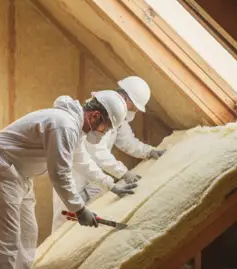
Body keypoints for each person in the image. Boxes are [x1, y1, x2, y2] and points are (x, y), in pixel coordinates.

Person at [0, 91, 137, 269]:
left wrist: (111, 185)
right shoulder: (64, 126)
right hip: (1, 170)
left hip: (18, 173)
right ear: (94, 116)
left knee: (28, 235)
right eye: (105, 127)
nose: (103, 133)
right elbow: (60, 174)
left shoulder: (73, 127)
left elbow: (81, 162)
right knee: (6, 240)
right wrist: (80, 210)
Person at [50, 76, 166, 232]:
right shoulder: (101, 113)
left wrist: (149, 151)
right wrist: (123, 173)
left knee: (85, 221)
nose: (136, 110)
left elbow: (126, 141)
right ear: (126, 97)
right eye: (136, 105)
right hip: (74, 173)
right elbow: (97, 151)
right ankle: (54, 254)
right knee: (64, 217)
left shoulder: (119, 116)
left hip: (93, 172)